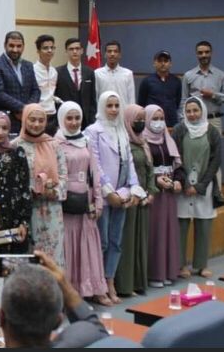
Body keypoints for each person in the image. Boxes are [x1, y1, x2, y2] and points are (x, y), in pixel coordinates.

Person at [84, 91, 145, 304]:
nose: (113, 109)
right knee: (101, 242)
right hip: (104, 195)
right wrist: (108, 192)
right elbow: (95, 164)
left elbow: (129, 164)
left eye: (117, 105)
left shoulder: (122, 130)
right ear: (102, 106)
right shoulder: (92, 131)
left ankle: (110, 281)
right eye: (109, 105)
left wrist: (134, 189)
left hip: (122, 194)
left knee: (116, 241)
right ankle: (98, 285)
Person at [0, 111, 32, 348]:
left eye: (4, 128)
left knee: (16, 273)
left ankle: (17, 323)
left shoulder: (17, 152)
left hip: (16, 221)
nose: (0, 132)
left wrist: (24, 222)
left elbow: (24, 187)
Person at [55, 102, 111, 307]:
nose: (73, 122)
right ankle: (71, 293)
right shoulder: (56, 142)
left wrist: (98, 200)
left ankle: (92, 289)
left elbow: (94, 172)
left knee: (88, 244)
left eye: (77, 118)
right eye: (69, 118)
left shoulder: (86, 141)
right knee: (69, 246)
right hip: (67, 202)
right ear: (62, 119)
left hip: (85, 198)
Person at [0, 250, 108, 348]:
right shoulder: (75, 342)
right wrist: (65, 286)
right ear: (58, 321)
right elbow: (97, 331)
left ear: (1, 317)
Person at [172, 96, 223, 279]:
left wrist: (200, 186)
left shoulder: (212, 132)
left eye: (195, 110)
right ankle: (180, 265)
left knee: (204, 224)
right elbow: (174, 158)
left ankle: (201, 265)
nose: (192, 114)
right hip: (183, 186)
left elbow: (215, 161)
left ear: (202, 111)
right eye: (188, 111)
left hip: (205, 186)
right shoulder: (179, 130)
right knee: (181, 225)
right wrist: (186, 183)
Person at [12, 104, 67, 268]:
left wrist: (53, 191)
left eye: (41, 120)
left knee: (53, 260)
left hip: (52, 211)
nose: (36, 124)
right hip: (27, 212)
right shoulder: (15, 146)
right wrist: (29, 191)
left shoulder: (54, 145)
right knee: (30, 259)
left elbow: (64, 176)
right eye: (32, 119)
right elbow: (12, 182)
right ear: (24, 119)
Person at [181, 40, 224, 189]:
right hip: (193, 122)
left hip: (214, 120)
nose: (203, 55)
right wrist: (183, 121)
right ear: (196, 54)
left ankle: (216, 193)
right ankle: (194, 188)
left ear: (211, 53)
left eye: (206, 52)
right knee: (194, 155)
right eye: (200, 52)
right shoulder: (188, 76)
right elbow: (184, 100)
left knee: (214, 157)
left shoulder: (220, 75)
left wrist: (214, 95)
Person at [114, 104, 154, 297]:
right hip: (130, 199)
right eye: (137, 119)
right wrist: (133, 192)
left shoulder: (143, 142)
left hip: (144, 199)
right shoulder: (124, 143)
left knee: (140, 242)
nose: (140, 122)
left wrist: (151, 191)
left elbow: (149, 169)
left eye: (143, 119)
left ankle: (138, 282)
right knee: (128, 243)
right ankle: (125, 285)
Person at [143, 104, 184, 288]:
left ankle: (168, 271)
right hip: (154, 193)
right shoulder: (142, 140)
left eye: (161, 119)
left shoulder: (168, 139)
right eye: (154, 119)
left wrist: (178, 180)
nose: (158, 123)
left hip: (169, 194)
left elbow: (178, 165)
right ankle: (155, 274)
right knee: (156, 232)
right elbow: (141, 169)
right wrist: (156, 180)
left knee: (169, 231)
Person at [0, 31, 40, 134]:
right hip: (6, 122)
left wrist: (28, 111)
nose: (15, 50)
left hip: (29, 121)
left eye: (19, 46)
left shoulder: (28, 65)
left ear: (23, 47)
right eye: (11, 46)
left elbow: (36, 90)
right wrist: (23, 109)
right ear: (5, 45)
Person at [55, 38, 97, 129]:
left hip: (86, 121)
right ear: (66, 51)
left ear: (82, 51)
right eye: (71, 49)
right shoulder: (57, 72)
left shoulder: (89, 72)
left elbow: (92, 99)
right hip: (66, 119)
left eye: (77, 49)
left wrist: (92, 121)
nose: (74, 51)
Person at [137, 50, 182, 127]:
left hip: (171, 123)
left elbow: (177, 103)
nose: (163, 63)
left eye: (166, 61)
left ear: (170, 64)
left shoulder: (176, 81)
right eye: (160, 61)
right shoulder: (147, 81)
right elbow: (141, 103)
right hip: (152, 123)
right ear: (154, 63)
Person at [33, 35, 60, 135]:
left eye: (52, 48)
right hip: (37, 115)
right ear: (38, 51)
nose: (49, 51)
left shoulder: (54, 72)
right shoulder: (32, 70)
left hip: (52, 115)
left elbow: (51, 94)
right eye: (45, 48)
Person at [94, 40, 135, 105]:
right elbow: (95, 98)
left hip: (123, 111)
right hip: (103, 111)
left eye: (115, 51)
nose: (112, 54)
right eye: (109, 51)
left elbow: (131, 99)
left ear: (120, 55)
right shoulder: (97, 73)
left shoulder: (128, 74)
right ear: (105, 54)